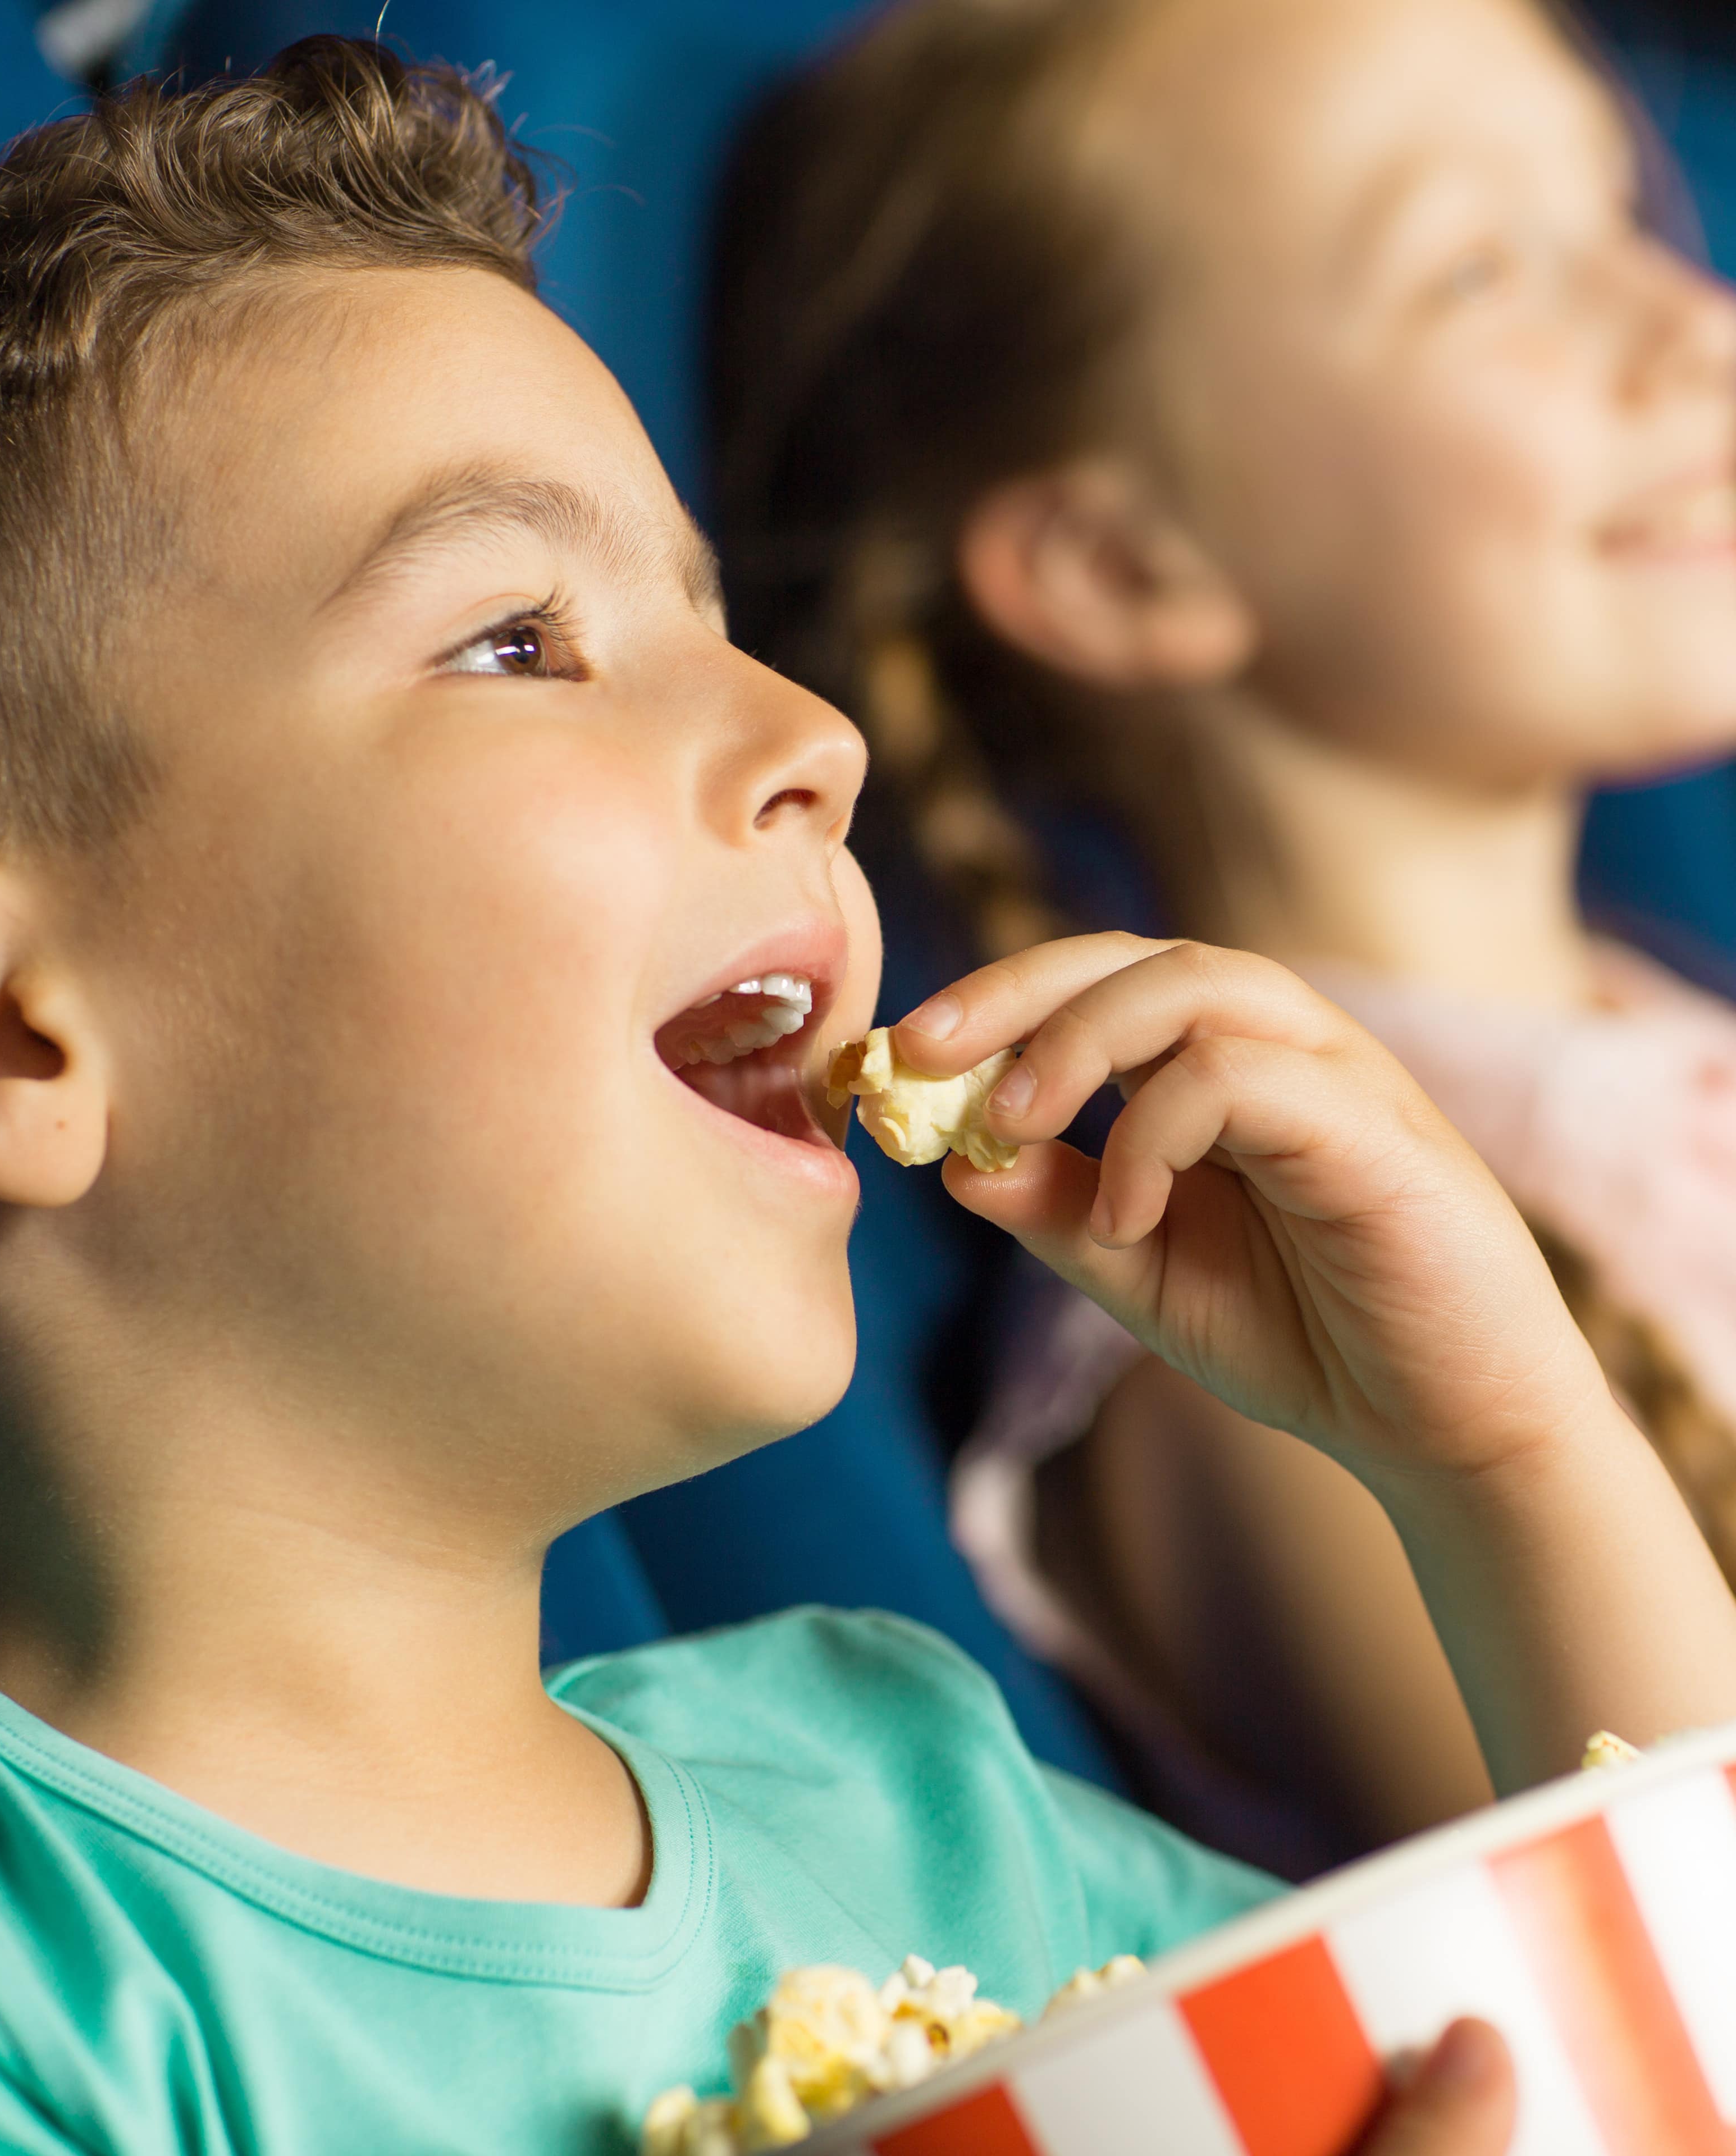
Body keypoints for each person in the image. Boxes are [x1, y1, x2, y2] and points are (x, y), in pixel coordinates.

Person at [0, 35, 1728, 2153]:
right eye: (520, 639)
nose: (817, 733)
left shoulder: (914, 1793)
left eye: (718, 620)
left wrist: (1506, 1445)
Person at [710, 0, 1736, 1867]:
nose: (1699, 325)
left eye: (1625, 218)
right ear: (1125, 566)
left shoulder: (1675, 1048)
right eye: (1485, 265)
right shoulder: (1260, 1329)